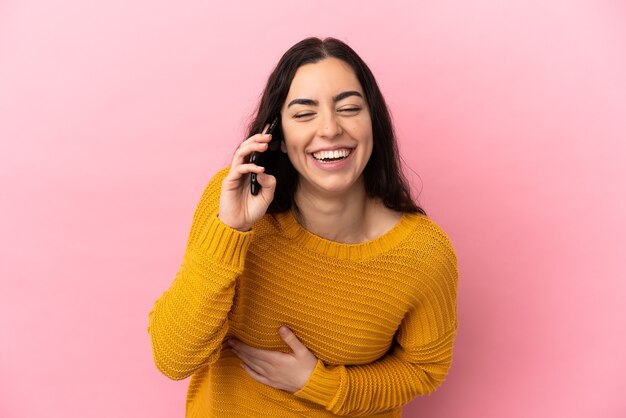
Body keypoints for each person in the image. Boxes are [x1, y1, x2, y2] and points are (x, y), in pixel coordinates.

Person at [148, 37, 458, 417]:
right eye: (303, 113)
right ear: (276, 136)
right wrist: (231, 231)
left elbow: (423, 371)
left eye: (348, 108)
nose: (329, 129)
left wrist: (318, 382)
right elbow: (173, 357)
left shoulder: (422, 254)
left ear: (373, 123)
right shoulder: (231, 202)